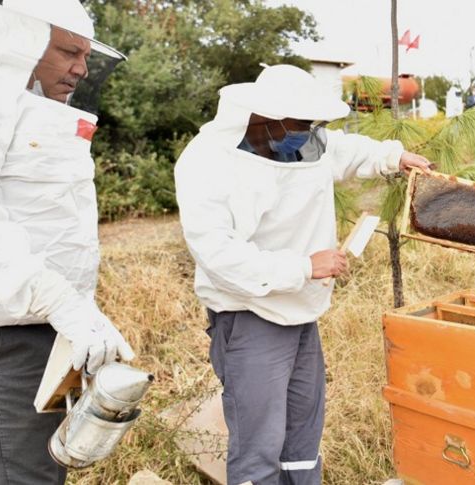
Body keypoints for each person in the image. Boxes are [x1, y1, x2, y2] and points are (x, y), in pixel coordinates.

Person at [175, 64, 431, 485]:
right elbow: (217, 254)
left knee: (302, 437)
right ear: (266, 117)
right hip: (250, 316)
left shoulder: (307, 143)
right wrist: (304, 267)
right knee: (259, 444)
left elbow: (348, 150)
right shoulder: (208, 162)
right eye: (300, 123)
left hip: (301, 312)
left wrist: (394, 157)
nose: (308, 132)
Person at [0, 0, 134, 483]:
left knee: (41, 468)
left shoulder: (19, 108)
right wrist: (60, 300)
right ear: (17, 39)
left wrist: (76, 310)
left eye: (85, 56)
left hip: (33, 327)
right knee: (23, 476)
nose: (80, 68)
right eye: (68, 52)